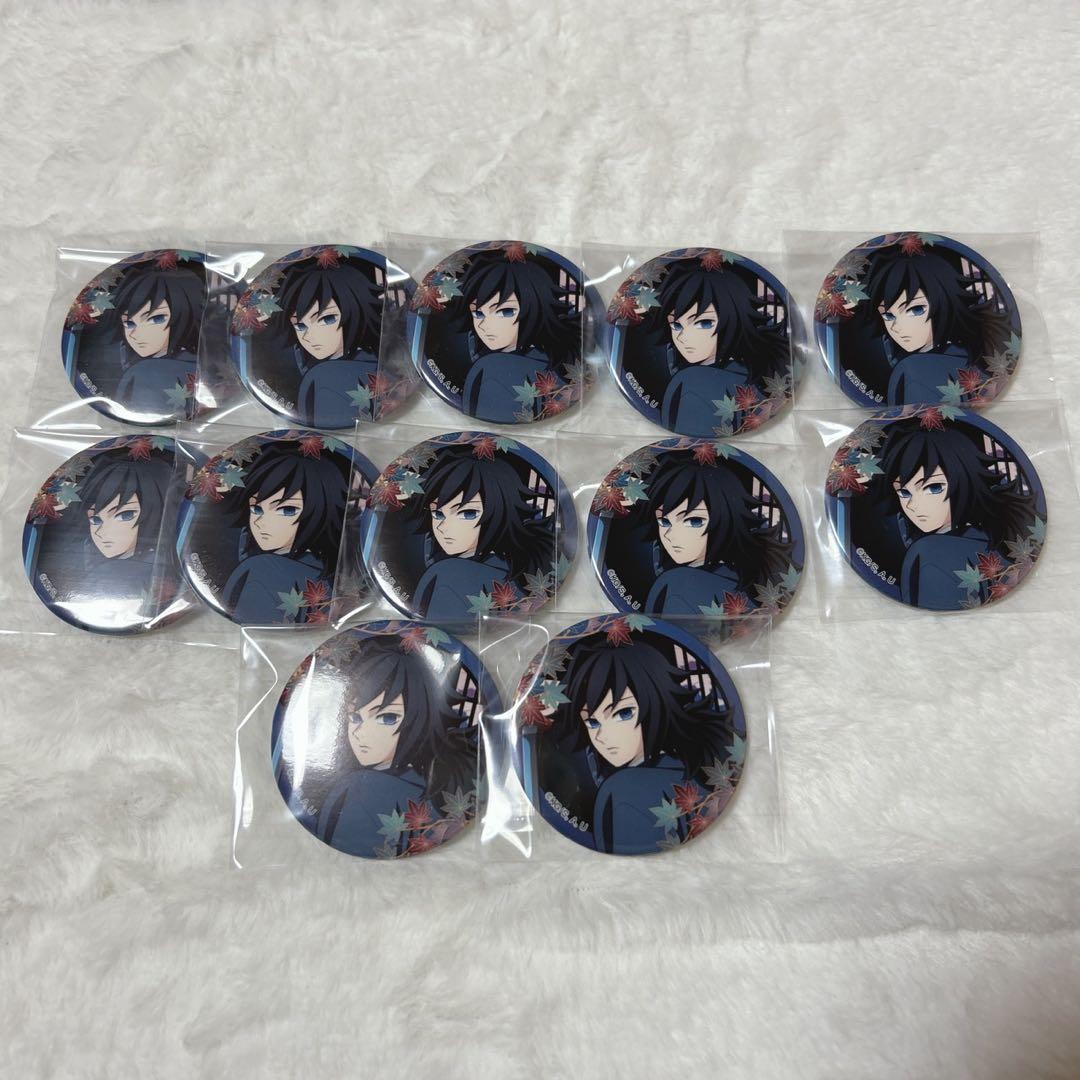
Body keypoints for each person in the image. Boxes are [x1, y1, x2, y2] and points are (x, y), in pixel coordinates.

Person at [543, 632, 734, 854]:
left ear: (658, 703)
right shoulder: (690, 770)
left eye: (623, 713)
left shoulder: (622, 789)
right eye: (592, 722)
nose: (603, 736)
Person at [309, 636, 476, 857]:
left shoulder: (356, 788)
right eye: (354, 717)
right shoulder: (429, 786)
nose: (360, 733)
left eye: (387, 718)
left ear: (420, 717)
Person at [871, 419, 1038, 609]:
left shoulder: (929, 551)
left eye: (934, 487)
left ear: (966, 479)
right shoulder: (991, 541)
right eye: (904, 492)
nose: (913, 505)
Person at [645, 258, 789, 436]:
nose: (683, 337)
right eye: (676, 325)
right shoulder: (748, 376)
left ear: (735, 319)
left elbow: (693, 444)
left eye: (704, 323)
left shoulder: (693, 382)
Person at [411, 444, 553, 620]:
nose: (443, 527)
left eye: (468, 513)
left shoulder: (448, 574)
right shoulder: (511, 570)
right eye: (437, 514)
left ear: (501, 512)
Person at [640, 453, 793, 615]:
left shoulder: (675, 583)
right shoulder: (741, 580)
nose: (671, 535)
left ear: (727, 519)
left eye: (694, 521)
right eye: (664, 522)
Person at [862, 247, 1013, 406]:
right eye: (888, 316)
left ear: (946, 302)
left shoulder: (915, 369)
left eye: (916, 309)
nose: (896, 327)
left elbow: (922, 422)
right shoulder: (969, 358)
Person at [220, 442, 348, 624]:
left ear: (322, 511)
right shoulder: (327, 572)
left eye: (287, 510)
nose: (260, 522)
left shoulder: (261, 569)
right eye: (256, 508)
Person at [452, 251, 579, 420]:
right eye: (478, 314)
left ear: (536, 308)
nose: (485, 325)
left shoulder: (491, 367)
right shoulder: (555, 363)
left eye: (505, 311)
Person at [271, 257, 383, 426]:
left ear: (357, 312)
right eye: (300, 325)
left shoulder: (324, 377)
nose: (309, 336)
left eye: (327, 319)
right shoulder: (376, 363)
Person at [107, 262, 205, 417]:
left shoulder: (142, 372)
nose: (136, 334)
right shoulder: (201, 365)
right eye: (129, 323)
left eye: (156, 319)